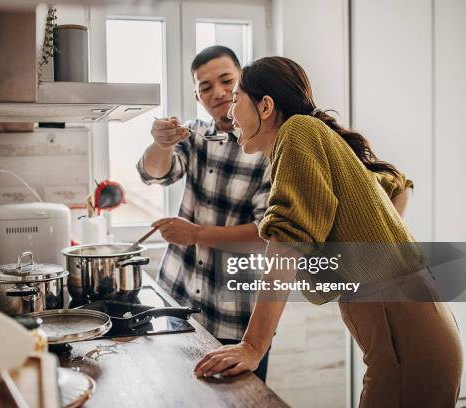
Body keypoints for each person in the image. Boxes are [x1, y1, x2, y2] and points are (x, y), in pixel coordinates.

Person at [193, 56, 463, 406]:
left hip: (403, 334)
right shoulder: (314, 137)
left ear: (265, 106)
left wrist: (254, 345)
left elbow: (286, 243)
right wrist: (371, 250)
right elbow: (396, 185)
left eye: (236, 100)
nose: (230, 113)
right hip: (418, 325)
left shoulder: (298, 132)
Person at [136, 46, 272, 381]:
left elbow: (265, 236)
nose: (219, 93)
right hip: (177, 301)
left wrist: (195, 234)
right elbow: (154, 173)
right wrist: (162, 144)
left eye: (227, 81)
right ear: (198, 98)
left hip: (236, 316)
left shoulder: (269, 148)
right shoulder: (194, 134)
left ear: (244, 84)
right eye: (205, 87)